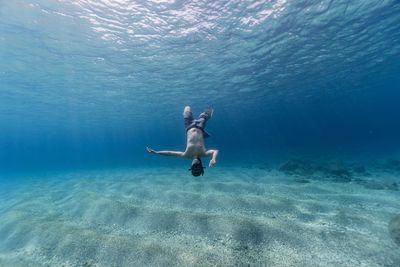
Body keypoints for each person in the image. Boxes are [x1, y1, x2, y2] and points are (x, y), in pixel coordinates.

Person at [146, 106, 219, 176]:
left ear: (191, 167)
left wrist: (156, 152)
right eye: (198, 168)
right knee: (206, 114)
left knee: (187, 108)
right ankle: (205, 117)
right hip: (200, 127)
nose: (196, 167)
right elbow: (215, 151)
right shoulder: (204, 154)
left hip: (189, 126)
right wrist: (213, 158)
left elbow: (170, 153)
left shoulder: (186, 155)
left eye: (194, 168)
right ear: (201, 166)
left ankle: (204, 125)